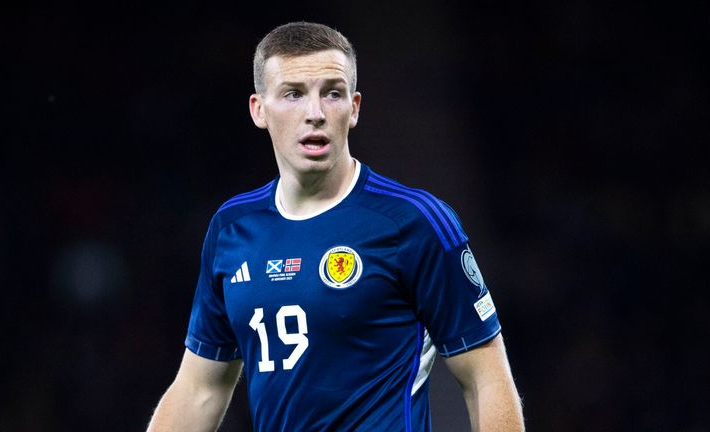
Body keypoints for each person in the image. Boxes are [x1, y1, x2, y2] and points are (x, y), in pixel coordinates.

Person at [147, 21, 524, 431]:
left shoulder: (415, 222)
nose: (316, 114)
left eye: (332, 93)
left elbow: (485, 377)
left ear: (355, 107)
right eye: (293, 94)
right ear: (259, 109)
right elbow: (200, 389)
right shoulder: (232, 228)